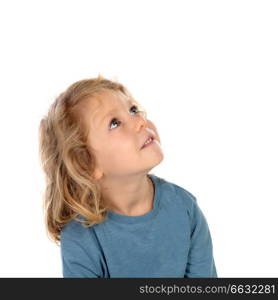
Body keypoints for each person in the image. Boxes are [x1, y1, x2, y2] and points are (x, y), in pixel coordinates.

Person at [38, 75, 217, 278]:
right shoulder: (81, 237)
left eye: (133, 110)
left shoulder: (185, 207)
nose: (140, 121)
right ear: (86, 164)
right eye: (114, 123)